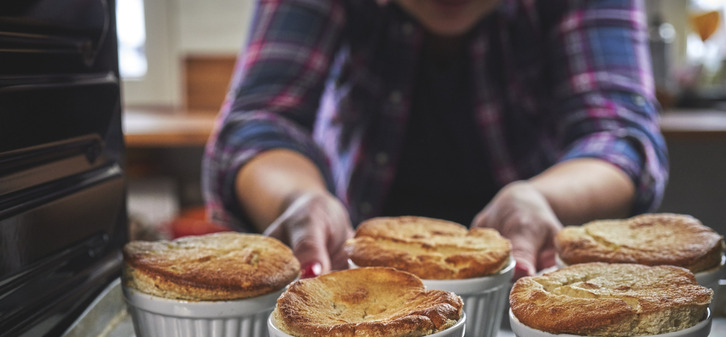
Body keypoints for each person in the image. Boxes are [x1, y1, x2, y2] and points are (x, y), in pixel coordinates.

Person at [202, 0, 668, 279]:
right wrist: (301, 199)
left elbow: (619, 136)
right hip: (359, 261)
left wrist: (538, 199)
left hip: (536, 263)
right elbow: (259, 122)